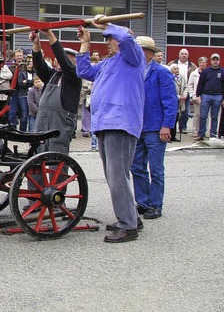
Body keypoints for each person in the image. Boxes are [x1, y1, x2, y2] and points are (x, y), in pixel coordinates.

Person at [76, 15, 146, 243]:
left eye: (110, 38)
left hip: (120, 123)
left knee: (117, 177)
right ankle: (132, 217)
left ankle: (128, 226)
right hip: (105, 123)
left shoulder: (133, 57)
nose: (106, 41)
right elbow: (83, 71)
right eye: (105, 38)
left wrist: (106, 25)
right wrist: (85, 42)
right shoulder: (108, 63)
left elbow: (125, 37)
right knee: (115, 176)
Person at [130, 36, 177, 221]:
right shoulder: (134, 72)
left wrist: (167, 126)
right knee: (136, 166)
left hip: (156, 127)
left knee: (156, 169)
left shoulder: (161, 72)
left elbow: (170, 101)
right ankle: (143, 201)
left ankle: (156, 204)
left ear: (147, 53)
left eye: (139, 50)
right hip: (137, 127)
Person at [30, 29, 82, 155]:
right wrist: (36, 43)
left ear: (74, 64)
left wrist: (49, 34)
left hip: (60, 123)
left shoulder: (74, 77)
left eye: (66, 60)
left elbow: (64, 62)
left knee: (57, 159)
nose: (60, 62)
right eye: (58, 59)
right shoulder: (52, 75)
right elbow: (38, 65)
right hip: (43, 121)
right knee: (37, 155)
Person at [195, 53, 224, 141]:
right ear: (211, 61)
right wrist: (198, 95)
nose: (215, 62)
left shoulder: (222, 72)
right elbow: (201, 83)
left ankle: (213, 135)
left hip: (218, 96)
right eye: (213, 60)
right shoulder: (206, 71)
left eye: (217, 60)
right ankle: (201, 134)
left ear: (219, 61)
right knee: (203, 116)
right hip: (206, 95)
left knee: (214, 117)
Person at [167, 49, 197, 134]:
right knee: (173, 112)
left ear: (188, 55)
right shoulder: (171, 64)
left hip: (185, 92)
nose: (184, 55)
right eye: (182, 54)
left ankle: (183, 127)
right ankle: (172, 130)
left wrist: (185, 94)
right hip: (174, 93)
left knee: (185, 111)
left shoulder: (192, 66)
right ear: (179, 55)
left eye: (185, 54)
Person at [187, 57, 207, 137]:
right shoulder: (194, 73)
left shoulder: (208, 72)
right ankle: (195, 131)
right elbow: (190, 85)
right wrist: (192, 96)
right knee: (197, 115)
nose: (202, 64)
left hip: (206, 96)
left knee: (206, 115)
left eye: (204, 62)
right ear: (198, 63)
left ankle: (205, 131)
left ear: (206, 63)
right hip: (196, 97)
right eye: (201, 62)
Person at [169, 63, 188, 142]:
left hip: (180, 101)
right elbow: (169, 89)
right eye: (175, 69)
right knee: (171, 118)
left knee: (177, 118)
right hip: (172, 100)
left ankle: (173, 135)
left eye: (177, 69)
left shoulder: (182, 78)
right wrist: (177, 96)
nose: (177, 70)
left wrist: (184, 95)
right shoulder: (169, 77)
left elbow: (186, 86)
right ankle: (168, 136)